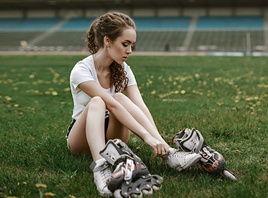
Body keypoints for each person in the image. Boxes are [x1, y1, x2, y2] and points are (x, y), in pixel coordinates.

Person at [66, 12, 201, 196]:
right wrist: (146, 138)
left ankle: (169, 155)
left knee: (120, 97)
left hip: (114, 134)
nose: (130, 50)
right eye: (125, 44)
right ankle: (101, 168)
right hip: (82, 136)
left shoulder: (124, 70)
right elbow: (110, 105)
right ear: (107, 41)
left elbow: (140, 106)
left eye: (132, 45)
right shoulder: (81, 70)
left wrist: (159, 142)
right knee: (100, 101)